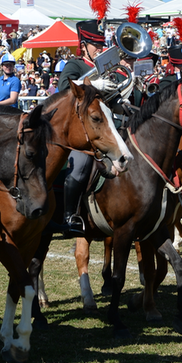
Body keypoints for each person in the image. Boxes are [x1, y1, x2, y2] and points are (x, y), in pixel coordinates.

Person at [56, 18, 110, 235]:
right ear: (84, 45)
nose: (99, 48)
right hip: (81, 130)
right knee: (79, 167)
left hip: (105, 125)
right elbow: (63, 90)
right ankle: (69, 214)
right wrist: (93, 84)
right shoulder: (75, 65)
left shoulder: (104, 66)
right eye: (95, 44)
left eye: (100, 44)